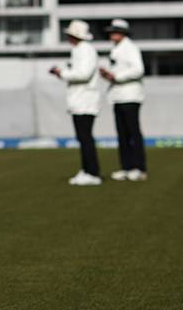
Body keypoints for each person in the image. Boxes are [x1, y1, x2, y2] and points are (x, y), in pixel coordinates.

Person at [50, 20, 102, 185]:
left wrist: (62, 72)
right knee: (82, 137)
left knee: (85, 137)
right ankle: (87, 170)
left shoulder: (85, 50)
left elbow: (83, 74)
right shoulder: (79, 50)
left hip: (85, 100)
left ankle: (92, 173)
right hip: (79, 99)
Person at [100, 18, 146, 181]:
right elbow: (116, 73)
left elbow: (138, 70)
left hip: (130, 95)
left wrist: (117, 76)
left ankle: (139, 168)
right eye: (111, 31)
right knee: (122, 134)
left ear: (123, 33)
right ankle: (126, 167)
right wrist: (108, 75)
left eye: (115, 31)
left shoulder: (130, 48)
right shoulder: (116, 49)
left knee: (133, 132)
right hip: (118, 96)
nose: (112, 34)